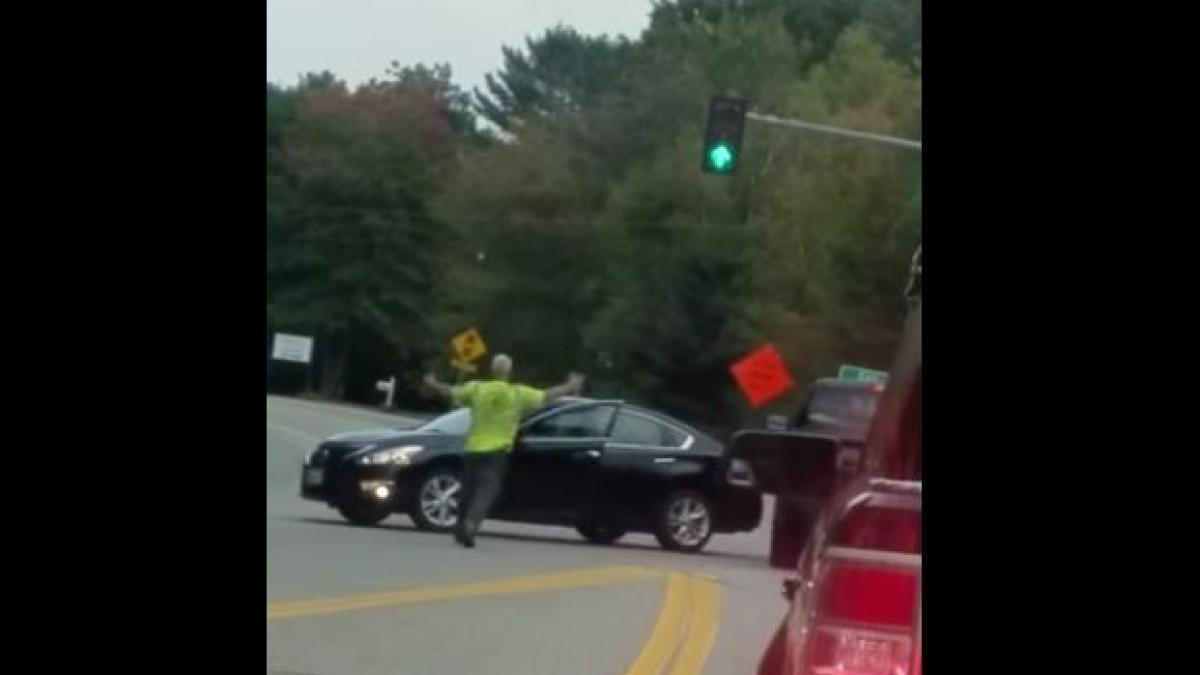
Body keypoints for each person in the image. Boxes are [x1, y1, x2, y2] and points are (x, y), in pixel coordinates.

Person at [423, 354, 585, 548]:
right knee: (486, 490)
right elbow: (546, 395)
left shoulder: (477, 389)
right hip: (498, 450)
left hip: (474, 447)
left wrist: (433, 383)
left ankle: (459, 527)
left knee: (468, 488)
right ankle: (471, 525)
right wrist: (570, 385)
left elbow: (450, 392)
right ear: (508, 371)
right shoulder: (517, 393)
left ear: (492, 369)